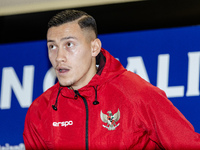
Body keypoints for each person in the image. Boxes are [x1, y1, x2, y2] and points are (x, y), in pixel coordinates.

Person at [23, 9, 200, 150]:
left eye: (69, 45)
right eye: (52, 46)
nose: (59, 57)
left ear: (94, 48)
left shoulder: (138, 95)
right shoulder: (39, 111)